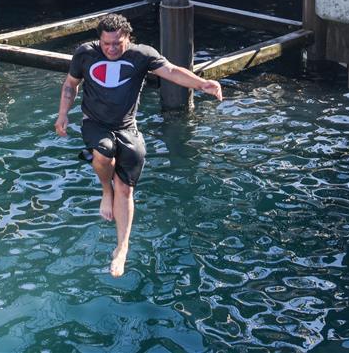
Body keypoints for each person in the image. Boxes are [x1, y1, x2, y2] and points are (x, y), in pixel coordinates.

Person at [55, 14, 223, 277]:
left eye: (117, 44)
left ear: (128, 39)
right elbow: (70, 85)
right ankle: (104, 191)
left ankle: (121, 247)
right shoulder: (85, 54)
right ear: (99, 39)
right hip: (95, 123)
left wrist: (202, 84)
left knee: (125, 188)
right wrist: (63, 114)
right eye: (106, 43)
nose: (111, 49)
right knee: (103, 151)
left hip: (127, 127)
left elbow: (171, 71)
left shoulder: (141, 55)